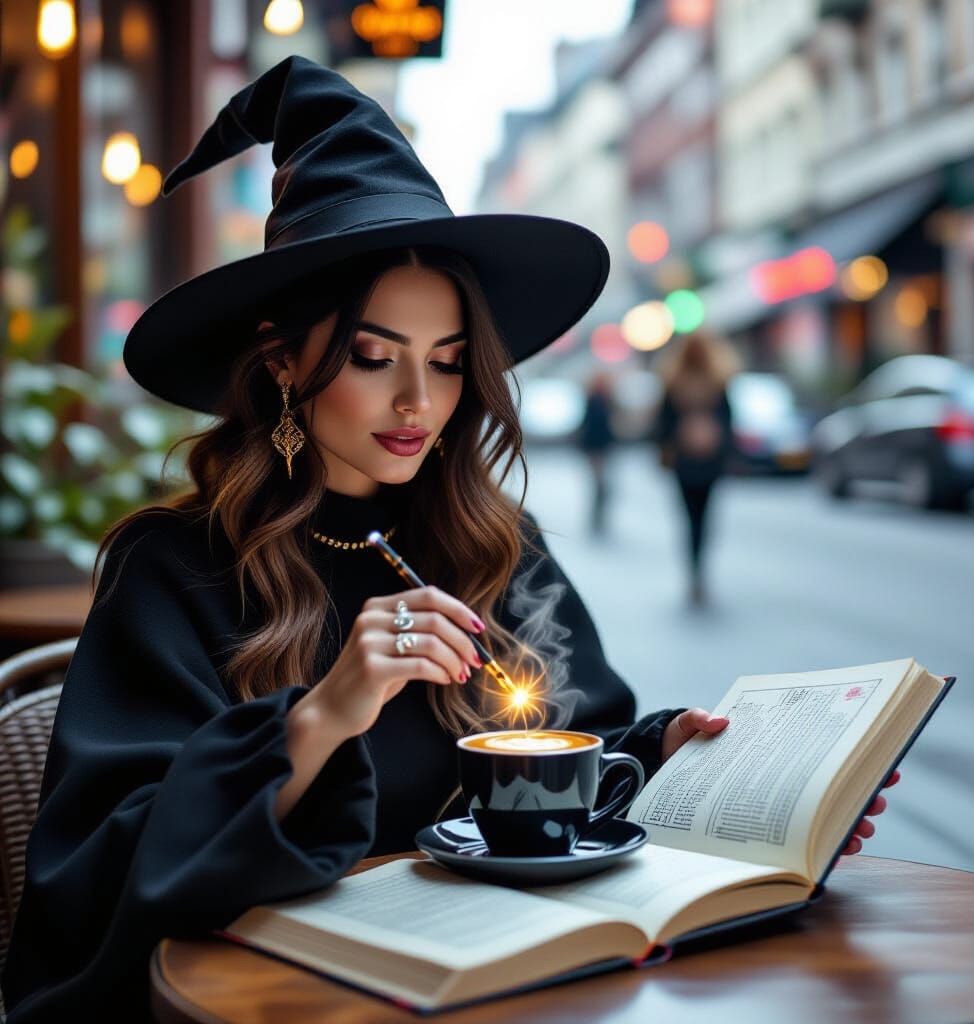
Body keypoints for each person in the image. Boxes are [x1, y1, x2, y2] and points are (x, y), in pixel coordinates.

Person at [1, 57, 893, 1022]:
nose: (419, 403)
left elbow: (568, 741)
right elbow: (98, 869)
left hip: (502, 989)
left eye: (451, 363)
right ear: (284, 362)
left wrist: (675, 754)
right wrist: (322, 715)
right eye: (373, 357)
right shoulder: (177, 566)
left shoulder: (494, 542)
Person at [653, 330, 738, 607]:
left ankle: (695, 568)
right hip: (703, 461)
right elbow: (729, 423)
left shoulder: (675, 382)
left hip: (686, 462)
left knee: (690, 518)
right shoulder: (717, 382)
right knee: (702, 518)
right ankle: (698, 568)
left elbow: (662, 426)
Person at [577, 370, 617, 535]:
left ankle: (599, 515)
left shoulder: (608, 400)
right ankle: (596, 516)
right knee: (599, 483)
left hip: (603, 445)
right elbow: (588, 423)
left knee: (603, 484)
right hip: (595, 446)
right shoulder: (594, 400)